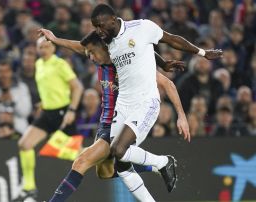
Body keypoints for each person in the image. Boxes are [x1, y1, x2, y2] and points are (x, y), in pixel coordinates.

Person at [89, 4, 222, 201]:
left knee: (119, 150)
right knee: (119, 161)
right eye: (95, 27)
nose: (98, 31)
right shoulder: (108, 41)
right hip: (123, 104)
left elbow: (172, 39)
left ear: (112, 19)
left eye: (100, 26)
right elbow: (139, 50)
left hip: (146, 102)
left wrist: (202, 53)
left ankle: (163, 162)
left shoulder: (142, 27)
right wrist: (163, 63)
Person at [39, 29, 188, 202]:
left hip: (120, 122)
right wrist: (55, 39)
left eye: (92, 53)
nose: (90, 58)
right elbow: (79, 47)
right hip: (105, 121)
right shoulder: (97, 56)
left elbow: (167, 83)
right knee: (105, 172)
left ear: (104, 48)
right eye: (88, 54)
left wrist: (181, 115)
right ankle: (156, 166)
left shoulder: (127, 65)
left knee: (81, 161)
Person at [16, 37, 84, 201]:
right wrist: (44, 102)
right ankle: (29, 188)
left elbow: (77, 87)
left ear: (53, 48)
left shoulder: (60, 64)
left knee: (79, 156)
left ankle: (110, 163)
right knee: (24, 144)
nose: (44, 49)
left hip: (63, 114)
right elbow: (50, 87)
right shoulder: (39, 64)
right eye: (41, 47)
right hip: (47, 113)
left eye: (47, 46)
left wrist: (72, 110)